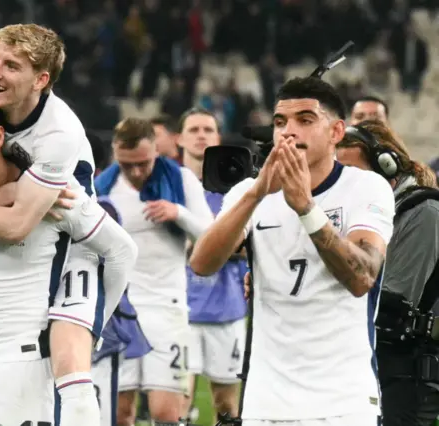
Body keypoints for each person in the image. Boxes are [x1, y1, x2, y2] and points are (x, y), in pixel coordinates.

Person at [0, 24, 123, 426]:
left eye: (11, 65)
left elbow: (16, 225)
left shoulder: (59, 132)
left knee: (73, 373)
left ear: (41, 79)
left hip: (72, 246)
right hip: (10, 255)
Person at [190, 76, 396, 426]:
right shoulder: (248, 193)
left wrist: (306, 209)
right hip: (266, 401)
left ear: (335, 132)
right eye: (280, 122)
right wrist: (256, 194)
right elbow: (202, 263)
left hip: (343, 401)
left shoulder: (365, 187)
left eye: (305, 120)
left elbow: (362, 277)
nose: (289, 132)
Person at [95, 117, 214, 425]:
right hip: (118, 314)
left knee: (167, 413)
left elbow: (212, 237)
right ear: (115, 154)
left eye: (144, 164)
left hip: (167, 307)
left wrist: (179, 213)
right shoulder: (102, 189)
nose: (136, 173)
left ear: (157, 151)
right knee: (119, 413)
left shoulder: (180, 180)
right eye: (127, 164)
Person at [336, 120, 439, 426]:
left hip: (407, 378)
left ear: (387, 167)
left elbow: (392, 305)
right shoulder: (360, 219)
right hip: (369, 369)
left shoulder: (424, 212)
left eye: (352, 174)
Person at [177, 107, 247, 422]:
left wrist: (211, 246)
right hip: (179, 311)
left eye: (208, 129)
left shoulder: (236, 192)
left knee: (226, 407)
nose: (201, 134)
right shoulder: (168, 187)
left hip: (226, 310)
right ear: (179, 138)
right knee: (178, 404)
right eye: (193, 129)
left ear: (218, 138)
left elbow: (251, 247)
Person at [90, 196, 152, 426]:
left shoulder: (103, 208)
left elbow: (117, 262)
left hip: (106, 331)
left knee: (111, 415)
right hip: (58, 328)